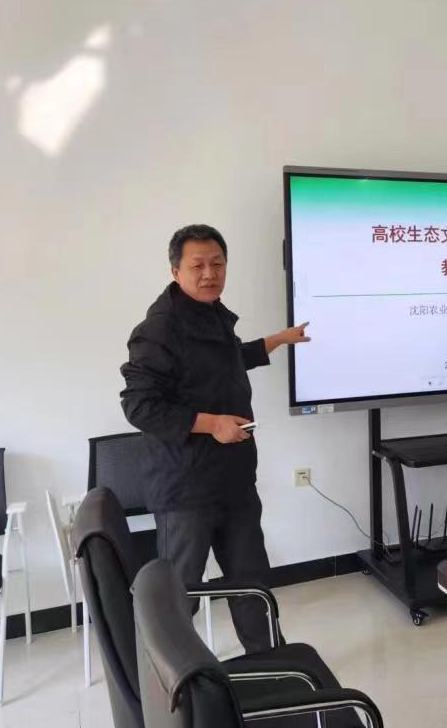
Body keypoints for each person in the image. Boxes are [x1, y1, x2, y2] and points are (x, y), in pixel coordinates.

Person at [120, 223, 309, 653]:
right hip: (185, 487)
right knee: (180, 594)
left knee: (252, 582)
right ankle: (167, 678)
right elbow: (140, 406)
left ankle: (271, 665)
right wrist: (212, 423)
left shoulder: (209, 311)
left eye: (217, 264)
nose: (209, 273)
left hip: (233, 478)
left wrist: (278, 340)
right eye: (198, 265)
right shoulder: (159, 328)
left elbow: (227, 360)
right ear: (175, 271)